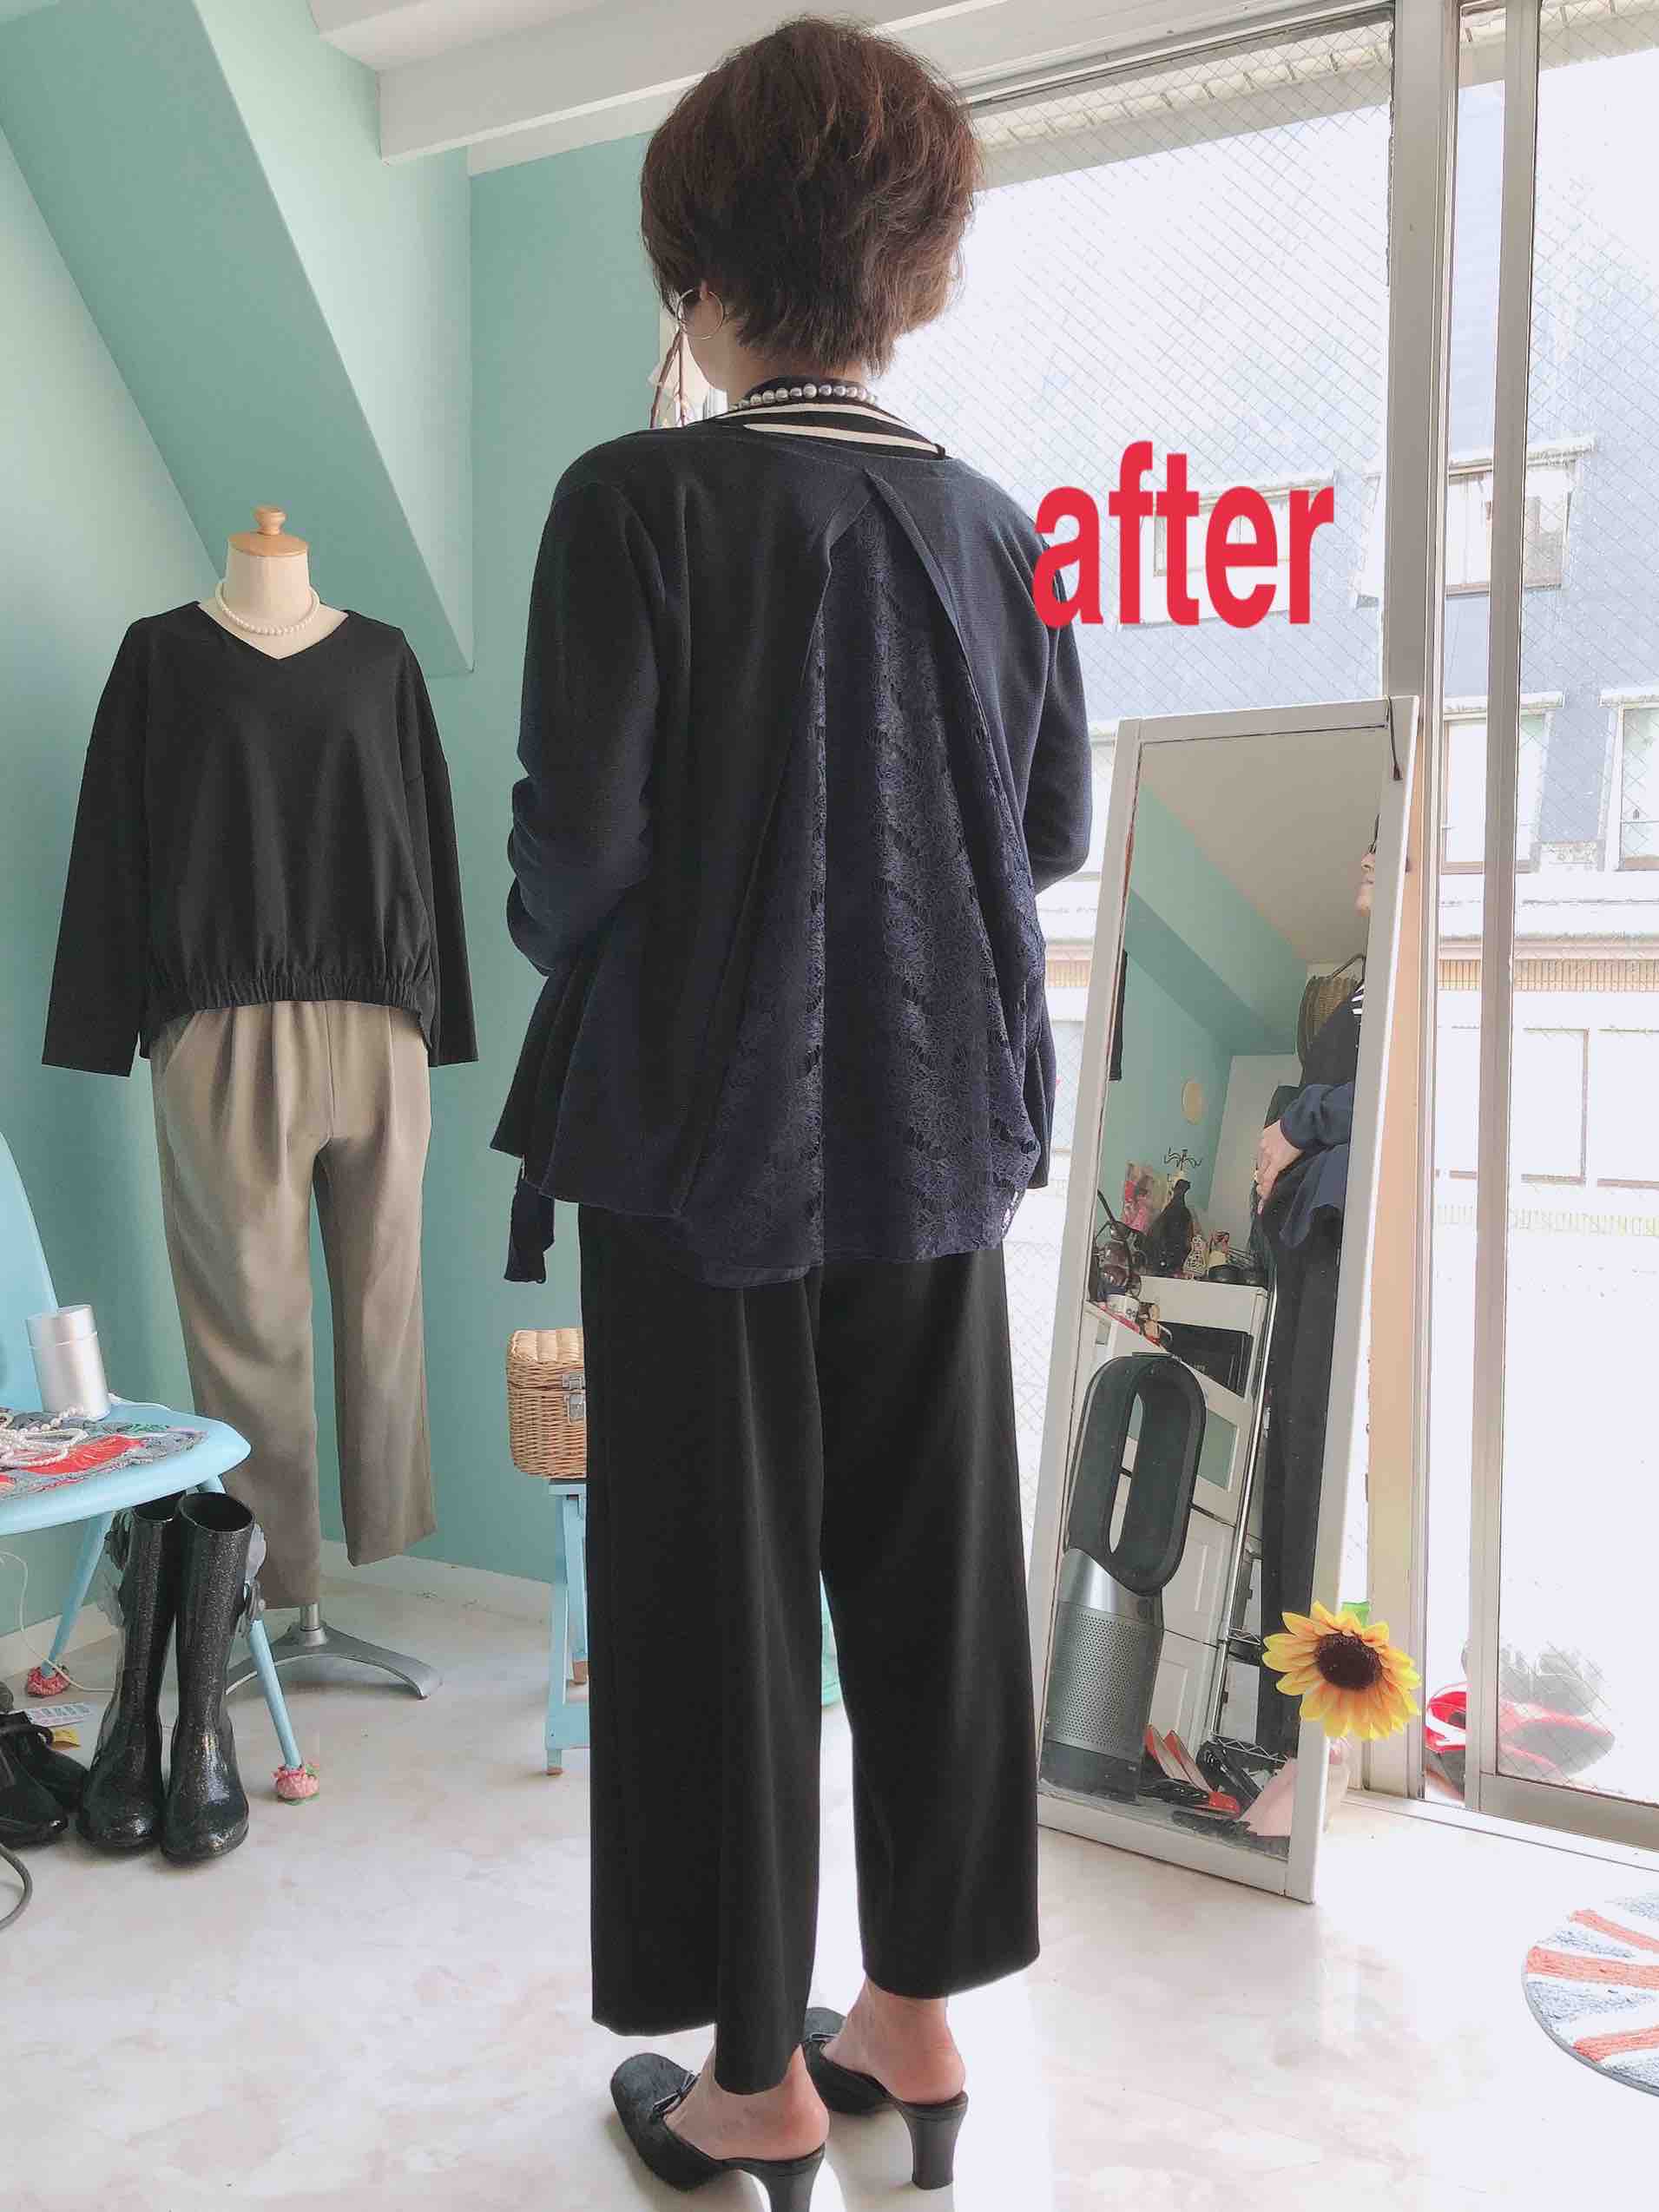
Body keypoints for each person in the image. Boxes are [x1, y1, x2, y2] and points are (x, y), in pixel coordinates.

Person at [493, 17, 1091, 2204]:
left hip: (700, 1139)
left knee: (714, 1589)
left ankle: (755, 2085)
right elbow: (1044, 827)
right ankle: (912, 2027)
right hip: (941, 1126)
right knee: (932, 1571)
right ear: (911, 264)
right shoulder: (996, 528)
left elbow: (576, 859)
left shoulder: (631, 498)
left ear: (698, 263)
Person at [1251, 830, 1376, 1755]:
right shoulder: (1361, 983)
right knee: (1287, 1480)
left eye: (1384, 844)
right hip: (1304, 1243)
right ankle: (1279, 1747)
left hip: (1340, 1241)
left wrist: (1298, 1119)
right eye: (1363, 844)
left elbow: (1388, 1103)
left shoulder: (1420, 974)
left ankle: (1307, 1756)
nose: (1364, 857)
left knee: (1318, 1477)